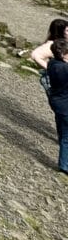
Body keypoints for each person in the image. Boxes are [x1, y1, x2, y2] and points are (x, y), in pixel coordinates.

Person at [46, 38, 68, 174]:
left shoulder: (52, 63)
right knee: (67, 136)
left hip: (56, 102)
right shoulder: (64, 68)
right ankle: (64, 165)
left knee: (61, 127)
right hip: (65, 105)